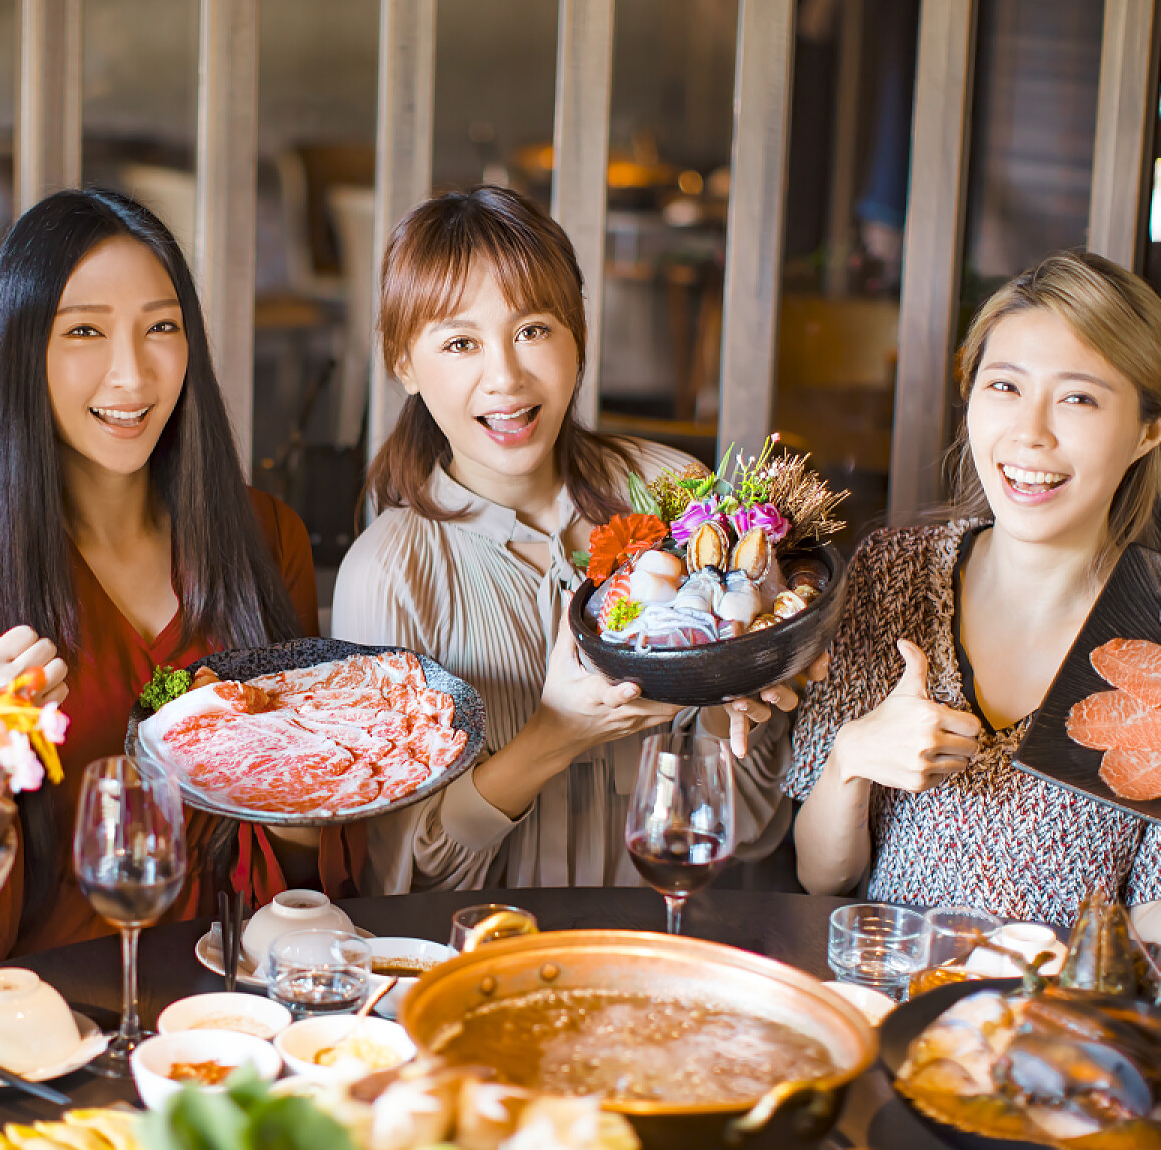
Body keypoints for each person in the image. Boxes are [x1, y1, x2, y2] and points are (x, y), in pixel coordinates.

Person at [0, 188, 362, 967]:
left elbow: (303, 882)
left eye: (160, 327)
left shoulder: (269, 539)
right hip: (33, 1027)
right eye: (85, 332)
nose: (131, 374)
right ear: (23, 350)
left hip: (228, 1011)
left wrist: (299, 793)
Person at [333, 186, 808, 893]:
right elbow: (403, 879)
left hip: (672, 941)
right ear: (404, 363)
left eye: (533, 330)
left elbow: (755, 825)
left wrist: (737, 707)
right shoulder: (388, 573)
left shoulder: (673, 492)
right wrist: (556, 734)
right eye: (460, 343)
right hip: (486, 960)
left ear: (577, 334)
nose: (505, 377)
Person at [789, 249, 1161, 946]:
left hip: (1058, 1034)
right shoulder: (893, 570)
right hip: (887, 1004)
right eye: (1005, 386)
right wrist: (852, 756)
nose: (1030, 433)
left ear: (1151, 428)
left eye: (1078, 397)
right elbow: (823, 877)